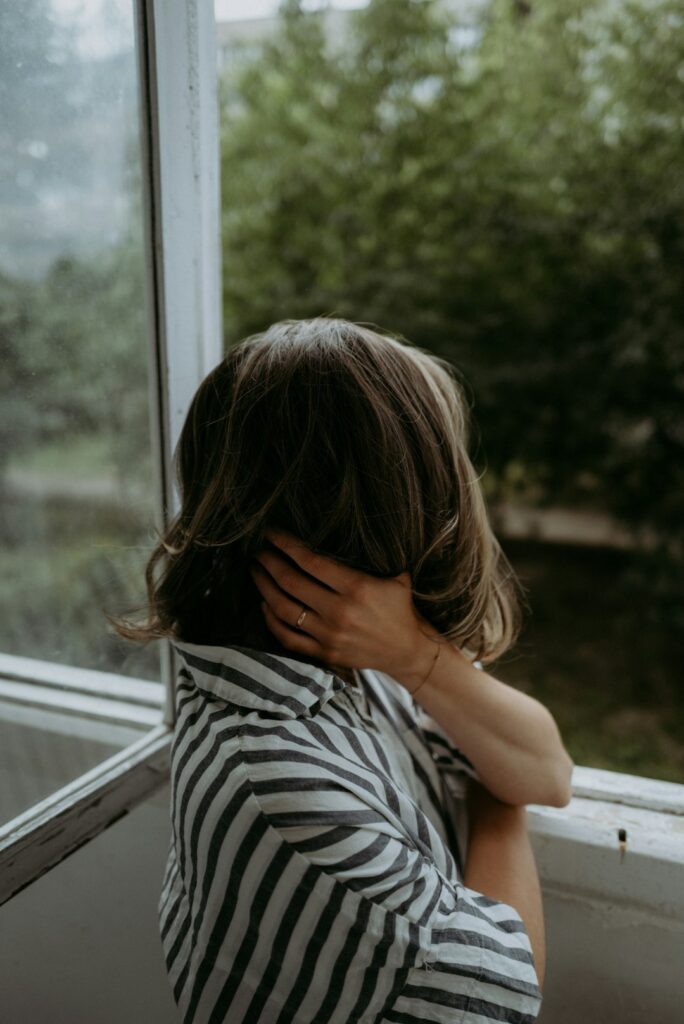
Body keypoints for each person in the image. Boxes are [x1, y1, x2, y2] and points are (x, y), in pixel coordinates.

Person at [115, 317, 573, 1024]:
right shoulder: (286, 795)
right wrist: (495, 802)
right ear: (390, 511)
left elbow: (547, 769)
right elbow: (505, 991)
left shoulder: (326, 651)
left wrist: (413, 654)